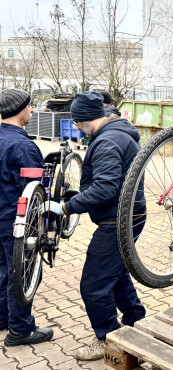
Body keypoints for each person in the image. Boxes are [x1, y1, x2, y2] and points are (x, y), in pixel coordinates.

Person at [51, 92, 146, 360]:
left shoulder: (106, 141)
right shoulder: (117, 132)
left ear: (83, 119)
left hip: (116, 220)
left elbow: (105, 189)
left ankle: (106, 338)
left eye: (77, 123)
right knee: (114, 273)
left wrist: (67, 208)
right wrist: (79, 195)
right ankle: (136, 320)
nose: (78, 129)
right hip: (128, 215)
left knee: (93, 284)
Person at [0, 89, 54, 346]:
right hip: (14, 221)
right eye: (30, 106)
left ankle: (3, 317)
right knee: (22, 272)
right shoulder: (23, 146)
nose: (32, 110)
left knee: (3, 269)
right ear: (20, 109)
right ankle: (20, 330)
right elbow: (35, 193)